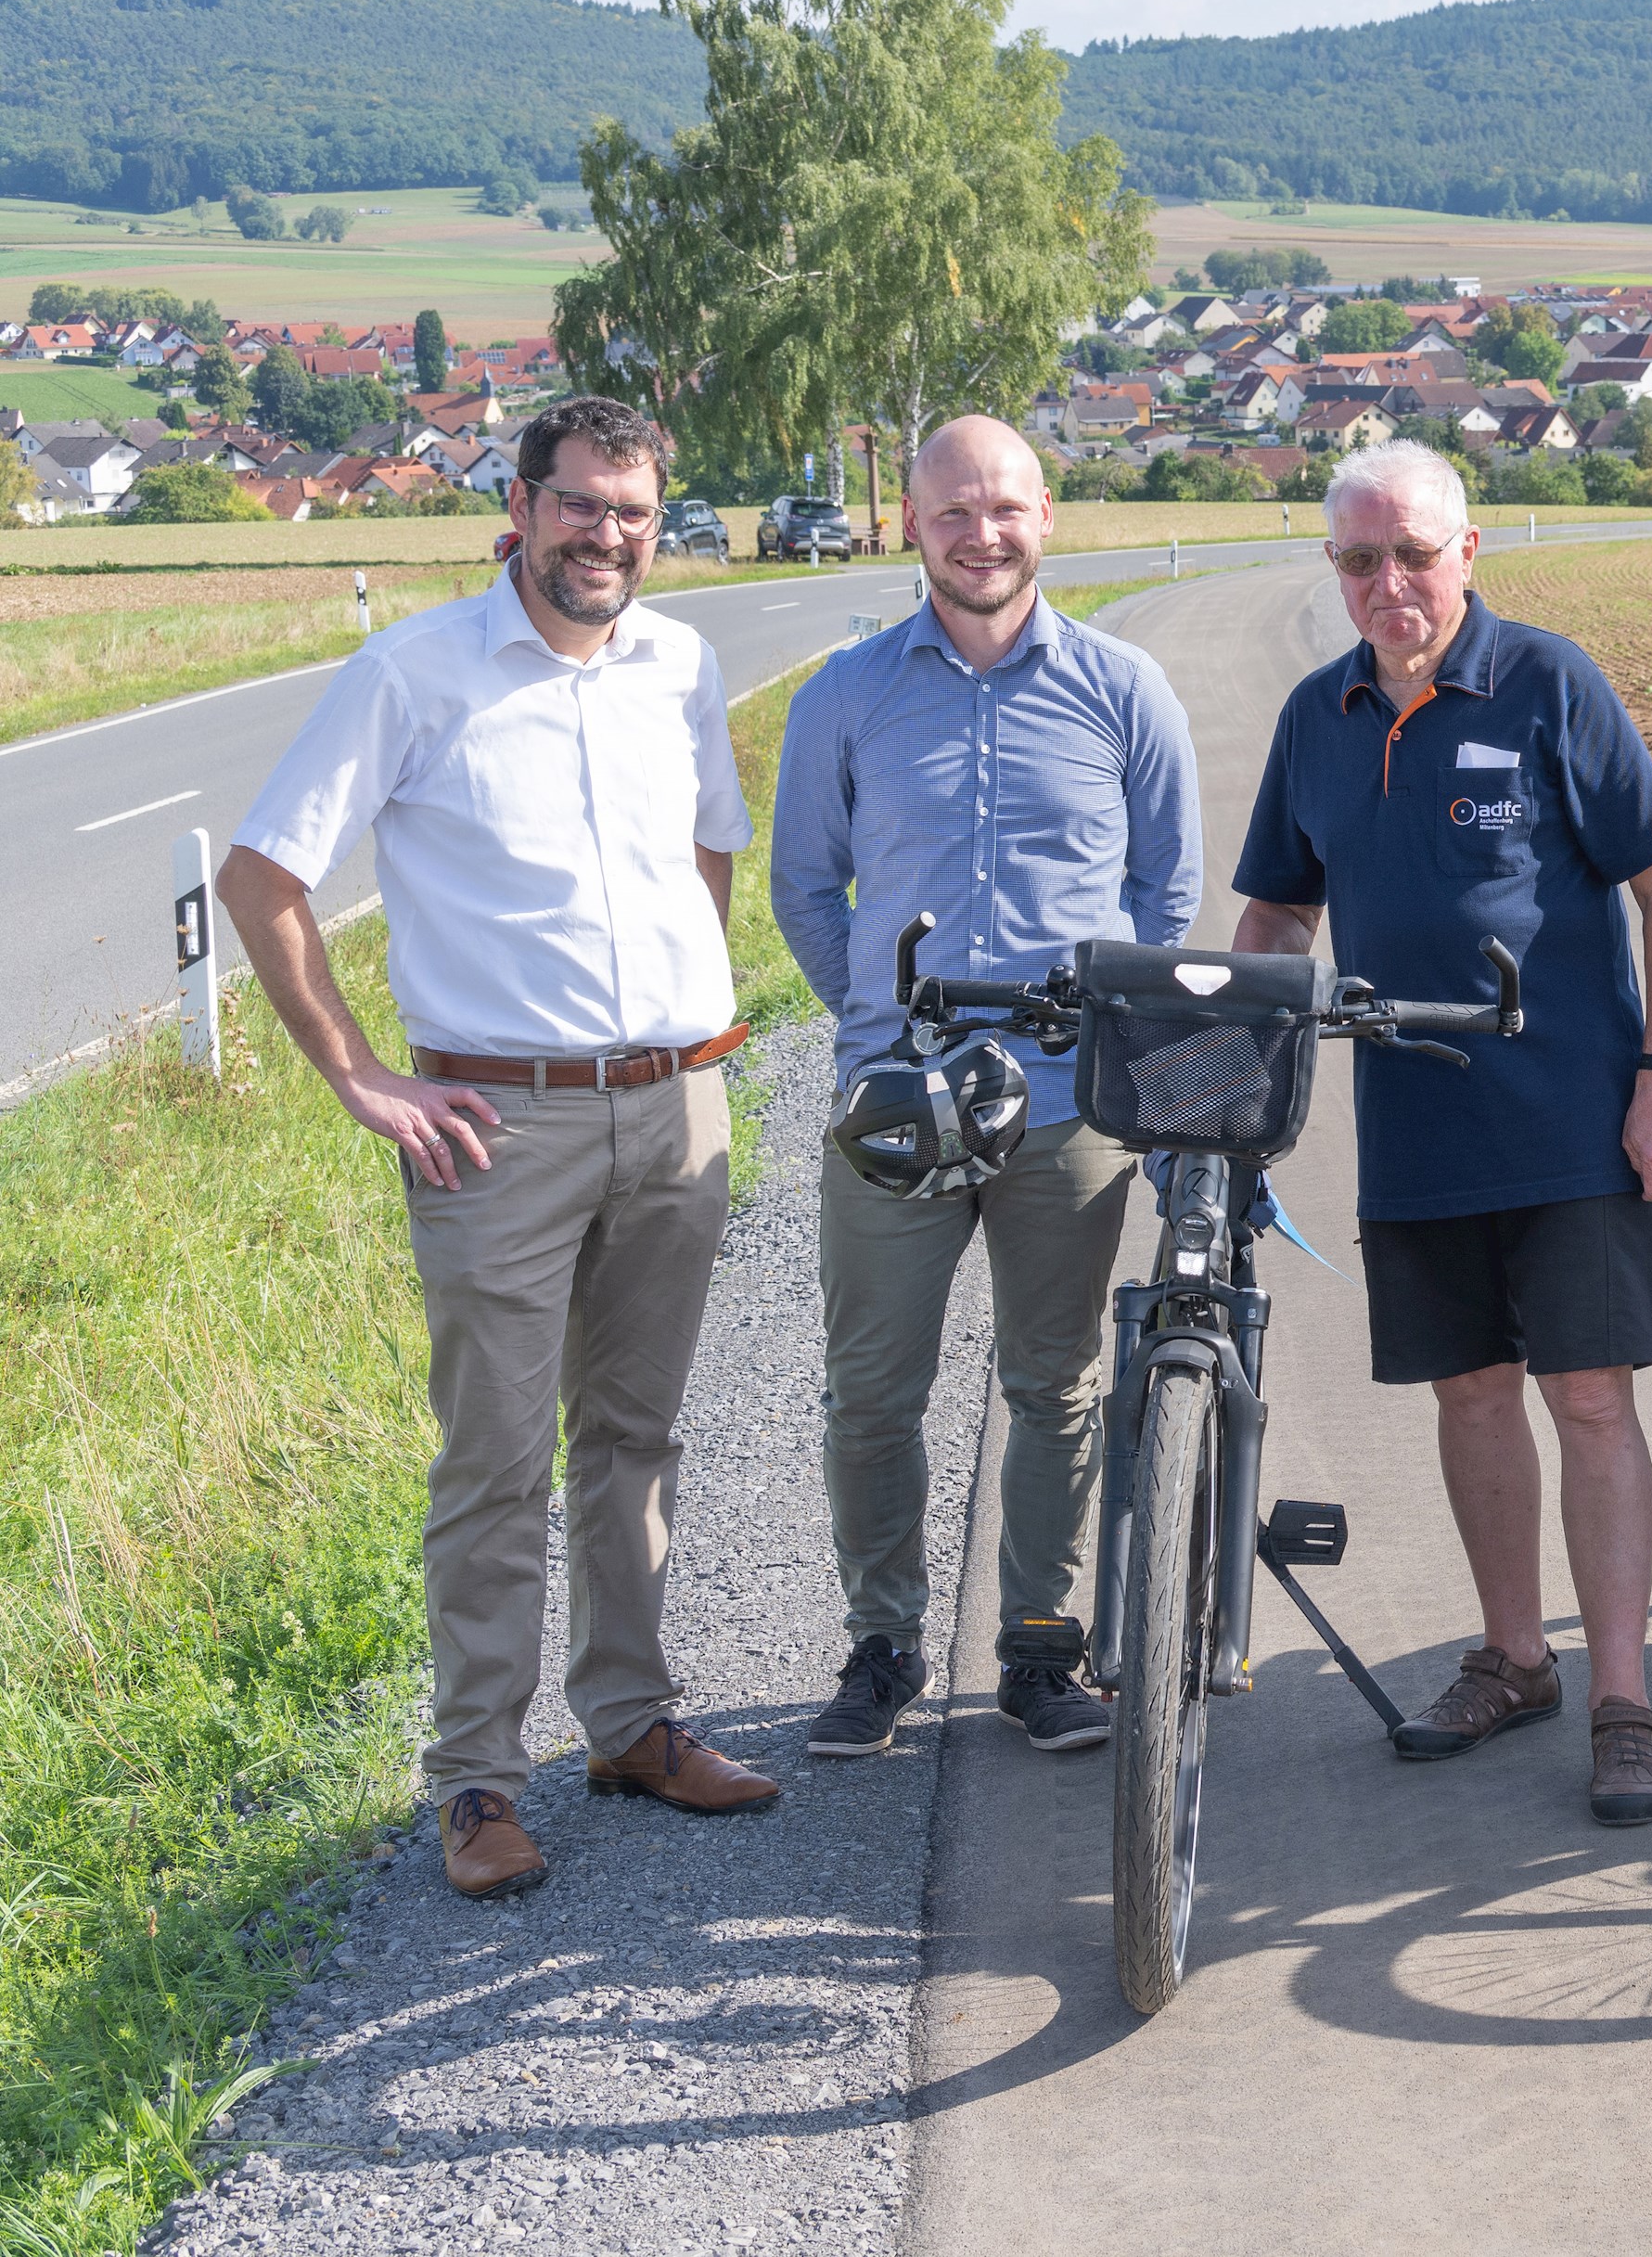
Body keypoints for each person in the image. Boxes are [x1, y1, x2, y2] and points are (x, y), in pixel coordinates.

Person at [218, 394, 779, 1904]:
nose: (608, 536)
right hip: (491, 1125)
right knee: (495, 1460)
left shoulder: (681, 664)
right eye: (582, 505)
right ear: (519, 509)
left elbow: (710, 843)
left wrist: (677, 1020)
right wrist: (359, 1075)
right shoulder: (413, 675)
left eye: (635, 513)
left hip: (677, 1110)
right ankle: (476, 1778)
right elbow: (261, 876)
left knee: (637, 1437)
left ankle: (631, 1725)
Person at [1228, 441, 1652, 1826]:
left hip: (1571, 1121)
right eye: (1360, 562)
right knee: (1472, 1394)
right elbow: (1275, 916)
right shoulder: (1317, 718)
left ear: (1469, 550)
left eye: (1414, 554)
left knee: (1593, 1399)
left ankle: (1623, 1700)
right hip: (1416, 1126)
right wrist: (1226, 1075)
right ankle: (1513, 1659)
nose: (1390, 585)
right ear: (1336, 572)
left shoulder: (1552, 685)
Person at [771, 416, 1201, 1763]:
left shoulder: (1125, 690)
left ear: (1048, 517)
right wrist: (876, 1022)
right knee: (872, 1391)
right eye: (953, 511)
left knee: (1056, 1383)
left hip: (1068, 1104)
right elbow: (803, 885)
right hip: (893, 1109)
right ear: (911, 523)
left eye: (1005, 507)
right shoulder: (844, 694)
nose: (982, 533)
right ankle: (883, 1646)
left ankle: (1038, 1650)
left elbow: (1167, 892)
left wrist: (1115, 1039)